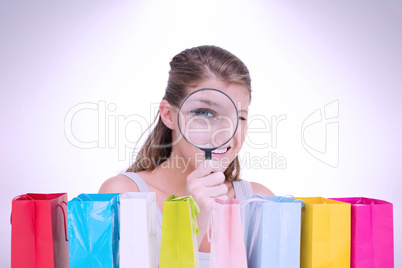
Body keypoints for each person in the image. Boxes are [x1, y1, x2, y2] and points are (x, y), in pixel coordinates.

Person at [99, 45, 274, 267]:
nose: (224, 132)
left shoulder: (259, 202)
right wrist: (192, 222)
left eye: (239, 118)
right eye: (204, 113)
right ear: (168, 115)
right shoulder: (123, 196)